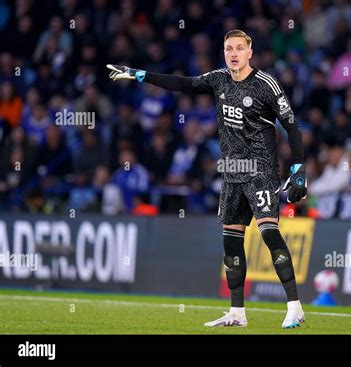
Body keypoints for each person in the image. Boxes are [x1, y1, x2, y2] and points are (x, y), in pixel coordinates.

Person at [107, 29, 307, 328]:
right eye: (229, 48)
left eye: (240, 48)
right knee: (231, 243)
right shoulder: (218, 79)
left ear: (250, 52)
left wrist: (298, 169)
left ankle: (294, 306)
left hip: (261, 170)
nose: (234, 53)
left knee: (268, 233)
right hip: (231, 173)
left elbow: (291, 125)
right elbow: (183, 84)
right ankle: (237, 313)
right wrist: (138, 74)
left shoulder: (266, 84)